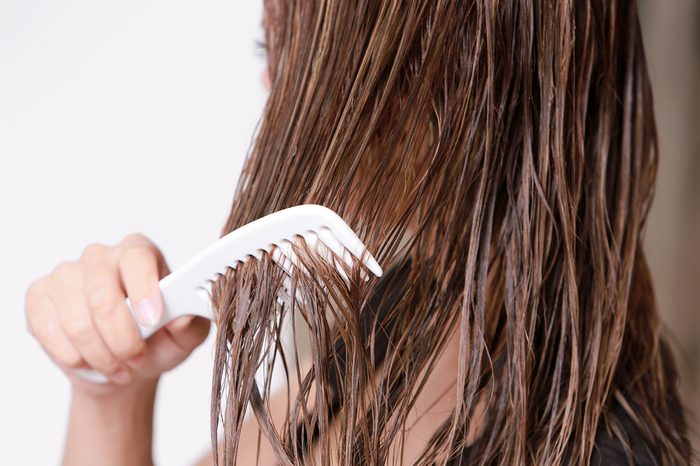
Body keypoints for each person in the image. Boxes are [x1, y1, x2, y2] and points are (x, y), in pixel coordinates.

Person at [25, 0, 692, 465]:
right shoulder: (402, 315)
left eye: (317, 60)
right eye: (268, 41)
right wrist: (111, 395)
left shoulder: (604, 448)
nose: (274, 89)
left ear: (476, 81)